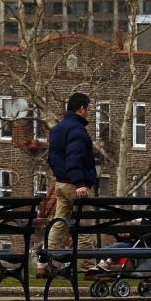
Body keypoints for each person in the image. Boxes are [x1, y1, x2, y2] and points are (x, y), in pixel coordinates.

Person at [42, 92, 97, 276]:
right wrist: (80, 182)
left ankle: (45, 262)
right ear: (81, 109)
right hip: (76, 186)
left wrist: (60, 174)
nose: (88, 113)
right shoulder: (77, 131)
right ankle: (87, 267)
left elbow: (52, 158)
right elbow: (74, 158)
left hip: (60, 184)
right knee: (84, 226)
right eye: (88, 109)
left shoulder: (57, 129)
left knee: (59, 223)